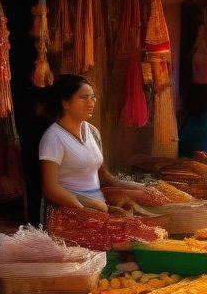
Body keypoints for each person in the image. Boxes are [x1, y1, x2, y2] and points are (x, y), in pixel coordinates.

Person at [39, 74, 152, 214]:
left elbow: (102, 176)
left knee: (147, 200)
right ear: (65, 103)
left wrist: (140, 188)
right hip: (67, 211)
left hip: (98, 206)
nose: (91, 103)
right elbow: (50, 188)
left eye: (93, 97)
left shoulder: (92, 132)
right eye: (84, 98)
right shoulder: (53, 137)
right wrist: (84, 210)